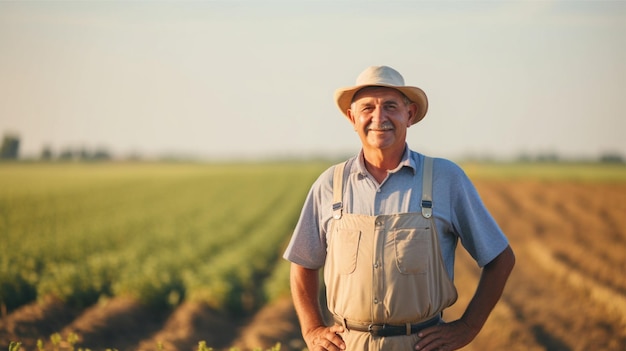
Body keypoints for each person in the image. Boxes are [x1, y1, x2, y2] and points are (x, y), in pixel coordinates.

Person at [283, 65, 515, 351]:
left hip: (421, 344)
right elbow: (303, 263)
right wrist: (312, 329)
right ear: (352, 117)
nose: (379, 118)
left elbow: (500, 259)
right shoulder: (330, 184)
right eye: (367, 108)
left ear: (410, 114)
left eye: (390, 106)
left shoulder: (445, 178)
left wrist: (466, 328)